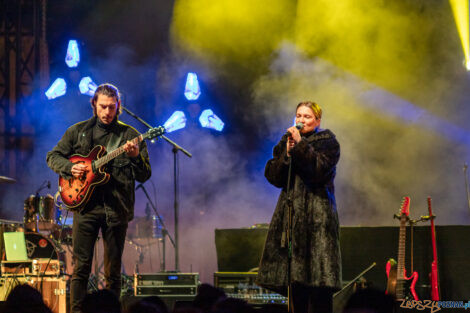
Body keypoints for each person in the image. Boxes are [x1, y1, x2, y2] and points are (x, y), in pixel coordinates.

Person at [46, 83, 152, 313]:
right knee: (81, 269)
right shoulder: (77, 131)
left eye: (112, 107)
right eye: (103, 107)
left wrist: (134, 156)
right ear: (94, 104)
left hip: (117, 210)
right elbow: (52, 156)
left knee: (113, 272)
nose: (107, 112)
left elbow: (144, 174)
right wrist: (69, 168)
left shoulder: (130, 135)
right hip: (85, 208)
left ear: (119, 106)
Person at [256, 101, 341, 313]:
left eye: (307, 116)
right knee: (296, 283)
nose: (301, 120)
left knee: (319, 284)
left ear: (318, 121)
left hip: (317, 219)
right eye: (299, 116)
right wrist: (286, 154)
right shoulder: (286, 142)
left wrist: (301, 145)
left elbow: (318, 171)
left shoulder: (327, 142)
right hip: (291, 219)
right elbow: (275, 178)